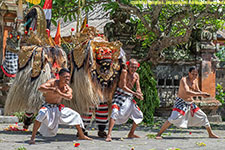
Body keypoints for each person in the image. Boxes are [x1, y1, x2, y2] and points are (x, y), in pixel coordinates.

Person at [29, 68, 91, 144]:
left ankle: (81, 135)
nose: (67, 79)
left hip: (58, 108)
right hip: (48, 107)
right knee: (41, 113)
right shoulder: (52, 82)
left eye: (68, 77)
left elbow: (69, 97)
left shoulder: (67, 87)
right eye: (65, 77)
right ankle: (32, 137)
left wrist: (59, 93)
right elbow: (40, 88)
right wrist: (52, 89)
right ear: (60, 76)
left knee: (76, 115)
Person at [156, 66, 219, 139]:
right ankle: (159, 134)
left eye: (196, 74)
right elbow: (187, 91)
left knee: (203, 116)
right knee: (173, 118)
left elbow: (197, 91)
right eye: (193, 74)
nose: (194, 76)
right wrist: (201, 94)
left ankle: (210, 134)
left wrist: (203, 94)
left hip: (190, 103)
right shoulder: (184, 80)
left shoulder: (195, 80)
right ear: (189, 73)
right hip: (181, 102)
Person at [106, 59, 144, 142]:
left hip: (129, 97)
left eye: (135, 67)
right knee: (114, 111)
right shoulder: (124, 72)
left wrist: (139, 93)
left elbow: (138, 87)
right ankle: (109, 134)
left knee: (139, 114)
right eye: (132, 67)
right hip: (120, 95)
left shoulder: (136, 75)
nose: (133, 69)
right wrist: (135, 93)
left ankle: (131, 133)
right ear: (128, 66)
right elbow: (123, 86)